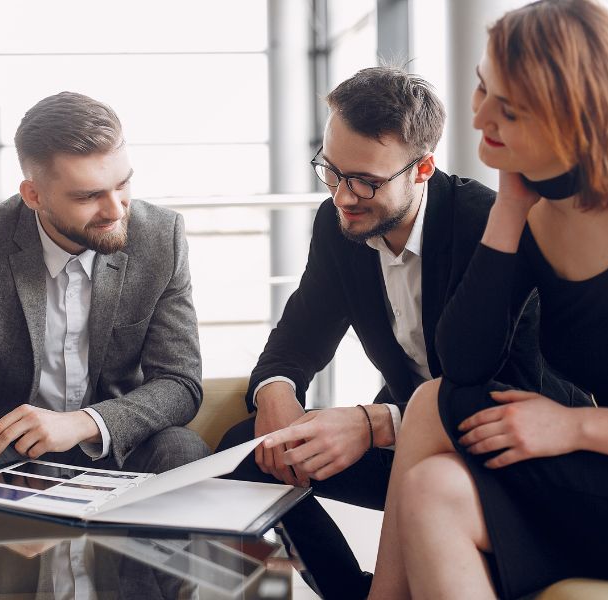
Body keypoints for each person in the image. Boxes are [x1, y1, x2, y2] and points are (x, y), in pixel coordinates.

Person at [367, 1, 608, 598]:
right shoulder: (545, 203)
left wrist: (577, 428)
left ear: (570, 121)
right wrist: (508, 210)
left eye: (511, 111)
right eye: (481, 87)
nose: (479, 118)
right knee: (431, 451)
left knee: (433, 463)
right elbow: (464, 364)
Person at [220, 66, 545, 598]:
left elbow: (517, 392)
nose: (344, 196)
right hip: (401, 434)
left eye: (367, 181)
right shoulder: (339, 224)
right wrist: (278, 390)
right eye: (331, 170)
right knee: (250, 452)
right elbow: (300, 337)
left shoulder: (486, 228)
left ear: (422, 169)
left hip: (489, 452)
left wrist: (378, 424)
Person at [0, 91, 209, 497]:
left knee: (185, 453)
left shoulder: (161, 237)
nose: (115, 210)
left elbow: (179, 382)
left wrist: (83, 423)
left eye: (122, 184)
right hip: (2, 448)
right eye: (89, 195)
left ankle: (136, 561)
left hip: (111, 443)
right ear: (34, 195)